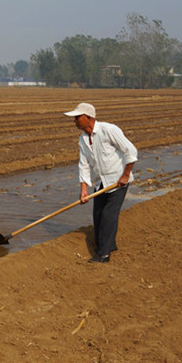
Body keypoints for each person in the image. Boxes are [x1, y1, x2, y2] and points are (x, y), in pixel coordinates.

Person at [64, 102, 137, 263]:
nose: (74, 121)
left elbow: (131, 152)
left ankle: (103, 254)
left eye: (77, 117)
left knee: (108, 215)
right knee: (97, 216)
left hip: (118, 181)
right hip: (101, 182)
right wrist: (84, 189)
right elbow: (84, 165)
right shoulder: (83, 139)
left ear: (88, 118)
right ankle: (108, 245)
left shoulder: (109, 130)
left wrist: (125, 175)